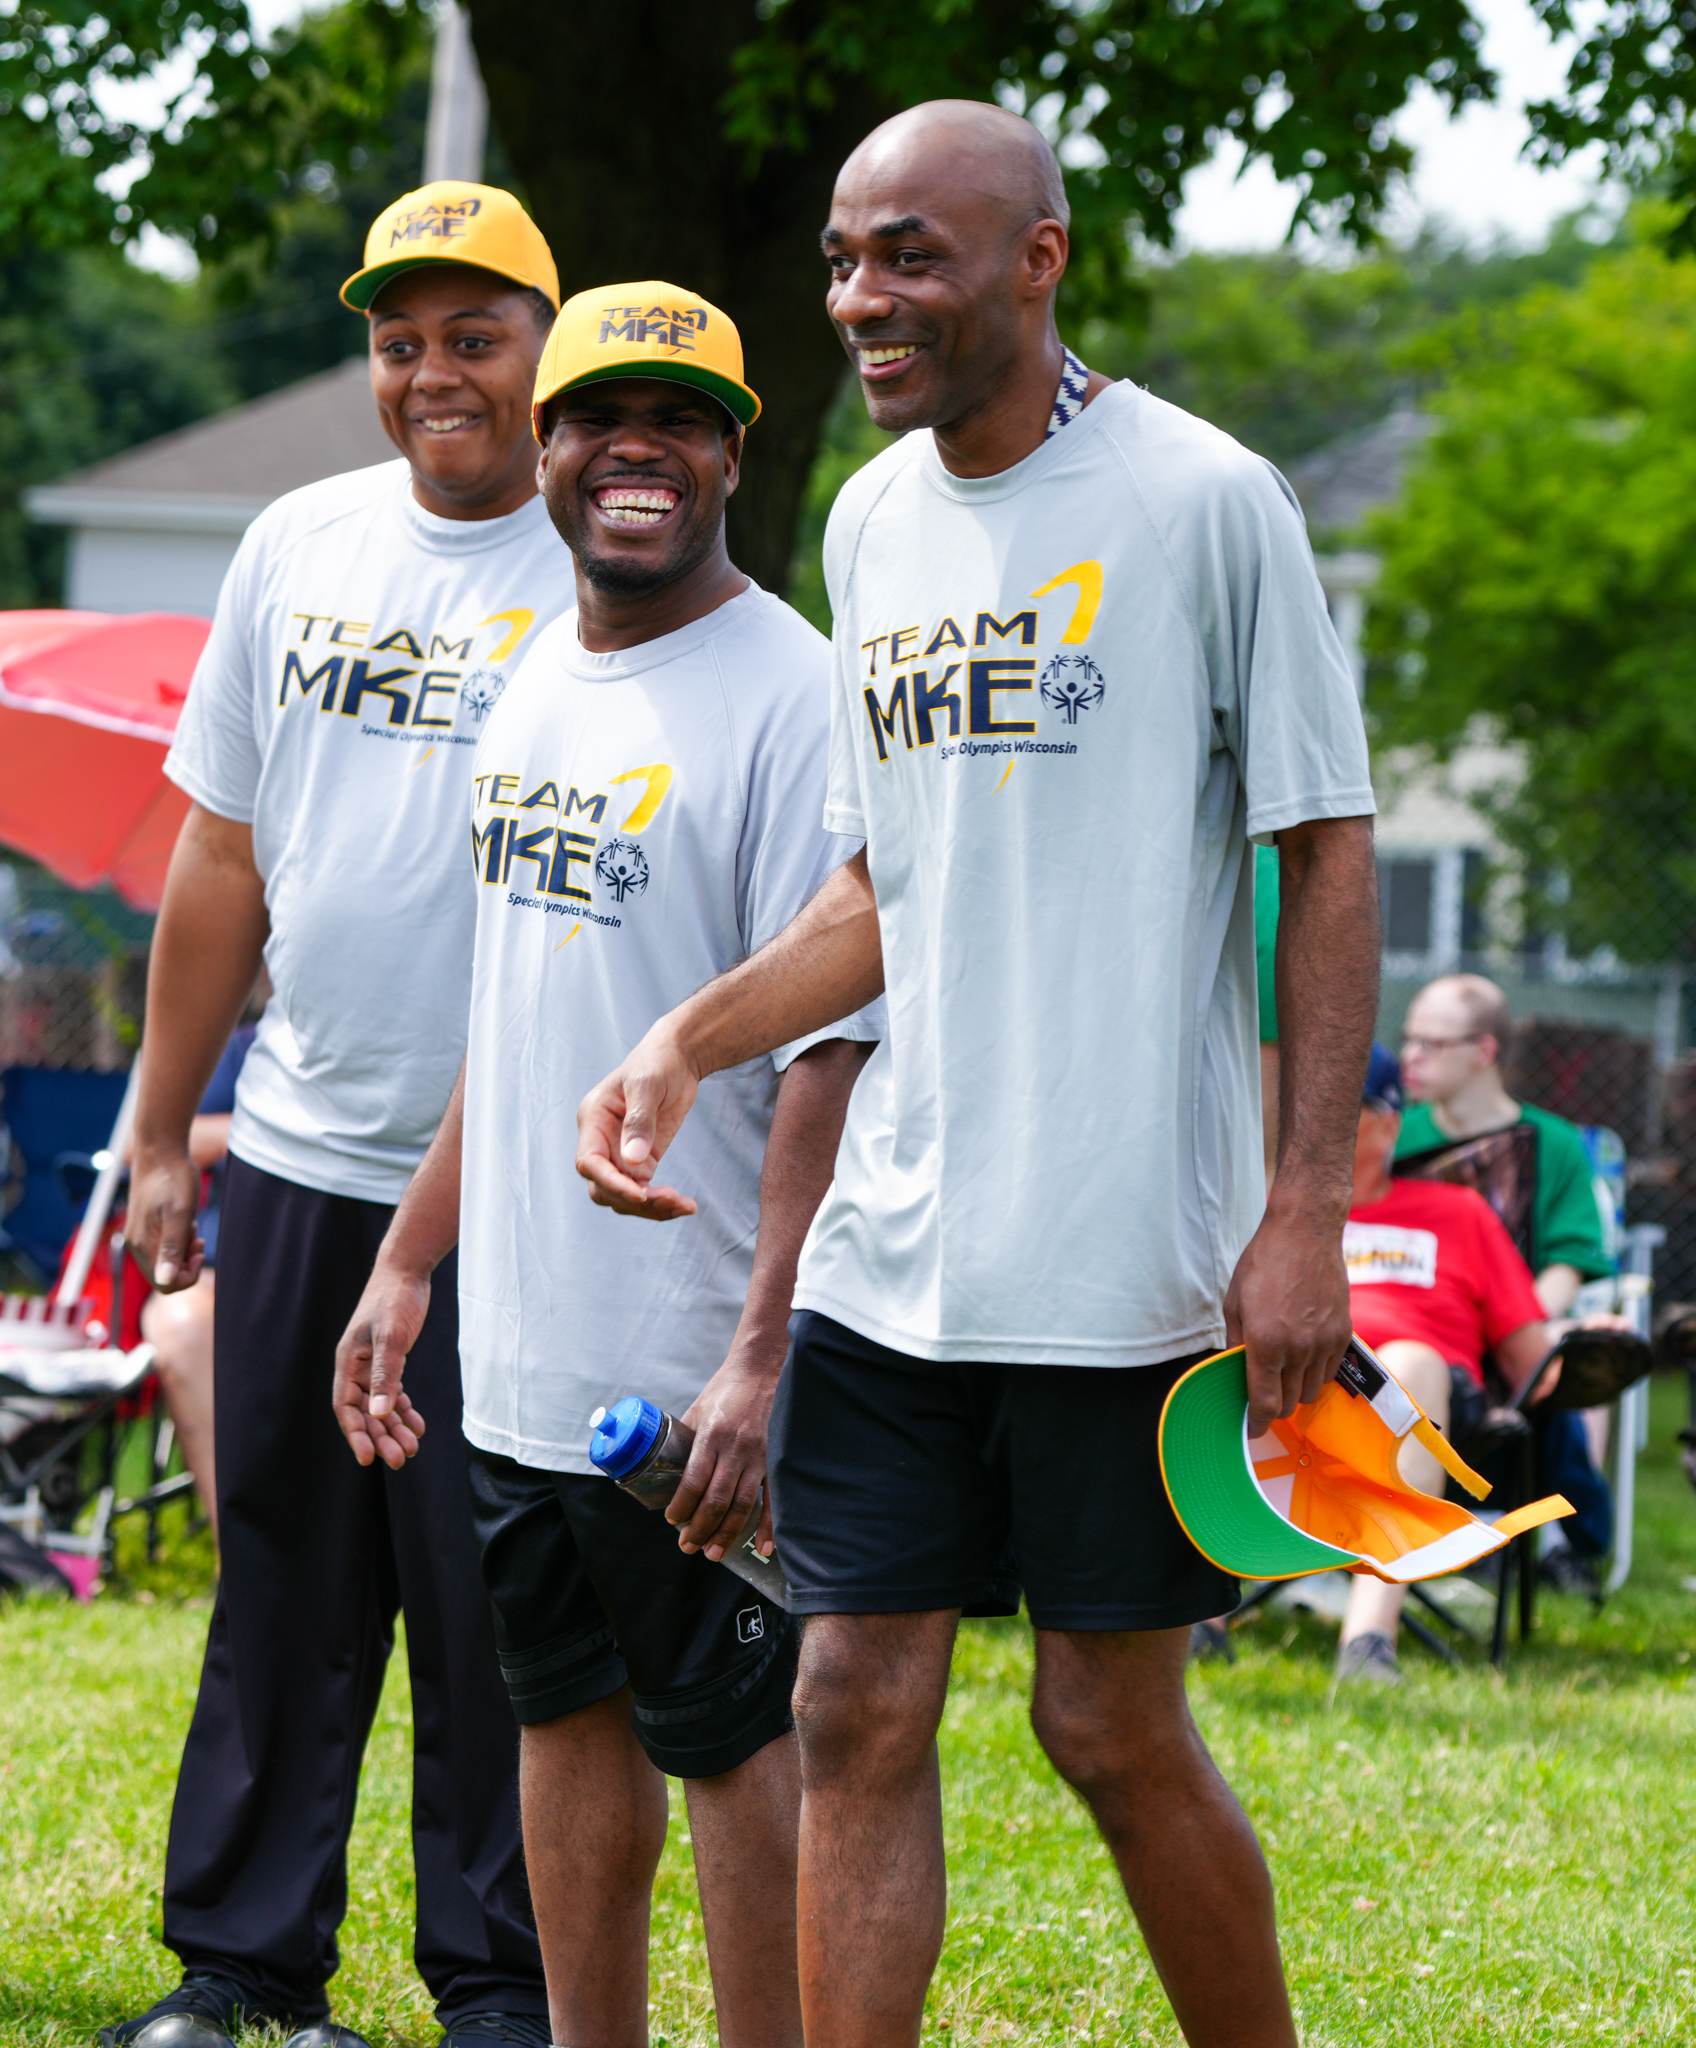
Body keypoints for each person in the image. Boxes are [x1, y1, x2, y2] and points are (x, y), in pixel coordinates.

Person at [576, 101, 1380, 2048]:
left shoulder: (1202, 503)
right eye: (845, 259)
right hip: (894, 1252)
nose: (861, 299)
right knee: (847, 1696)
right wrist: (686, 1035)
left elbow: (1325, 843)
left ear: (1038, 259)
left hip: (1120, 1253)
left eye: (909, 256)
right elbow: (884, 888)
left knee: (1105, 1727)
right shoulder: (869, 521)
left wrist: (1301, 1211)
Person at [331, 281, 882, 2048]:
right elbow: (524, 1016)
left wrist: (761, 1347)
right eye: (596, 416)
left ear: (734, 450)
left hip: (695, 1363)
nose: (633, 448)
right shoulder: (531, 683)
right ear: (548, 450)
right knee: (557, 1716)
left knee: (731, 1742)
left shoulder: (796, 694)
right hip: (526, 1358)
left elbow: (834, 1052)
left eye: (680, 418)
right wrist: (411, 1262)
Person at [115, 182, 568, 2048]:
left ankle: (500, 1984)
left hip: (524, 1182)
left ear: (551, 349)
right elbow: (220, 852)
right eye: (401, 340)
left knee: (492, 1593)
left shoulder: (612, 562)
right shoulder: (296, 541)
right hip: (303, 1148)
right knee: (284, 1573)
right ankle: (239, 1967)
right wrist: (164, 1123)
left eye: (475, 335)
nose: (433, 372)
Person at [1336, 1044, 1557, 1682]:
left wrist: (1572, 1335)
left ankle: (1368, 1639)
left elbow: (1534, 1363)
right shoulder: (1272, 1209)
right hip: (1302, 1389)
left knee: (1409, 1363)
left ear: (1389, 1124)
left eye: (1343, 1112)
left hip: (1427, 1403)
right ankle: (1201, 1625)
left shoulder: (1456, 1213)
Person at [1397, 971, 1618, 1589]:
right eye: (1408, 1040)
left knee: (1568, 1358)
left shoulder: (1554, 1144)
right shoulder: (1392, 1136)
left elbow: (1570, 1262)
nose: (1410, 1056)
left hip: (1517, 1334)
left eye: (1430, 1043)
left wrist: (1510, 1322)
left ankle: (1571, 1541)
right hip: (1417, 1339)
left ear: (1484, 1051)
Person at [136, 1023, 255, 1542]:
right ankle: (237, 1553)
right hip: (223, 1270)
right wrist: (273, 1130)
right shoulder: (237, 1045)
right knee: (181, 1325)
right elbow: (153, 1141)